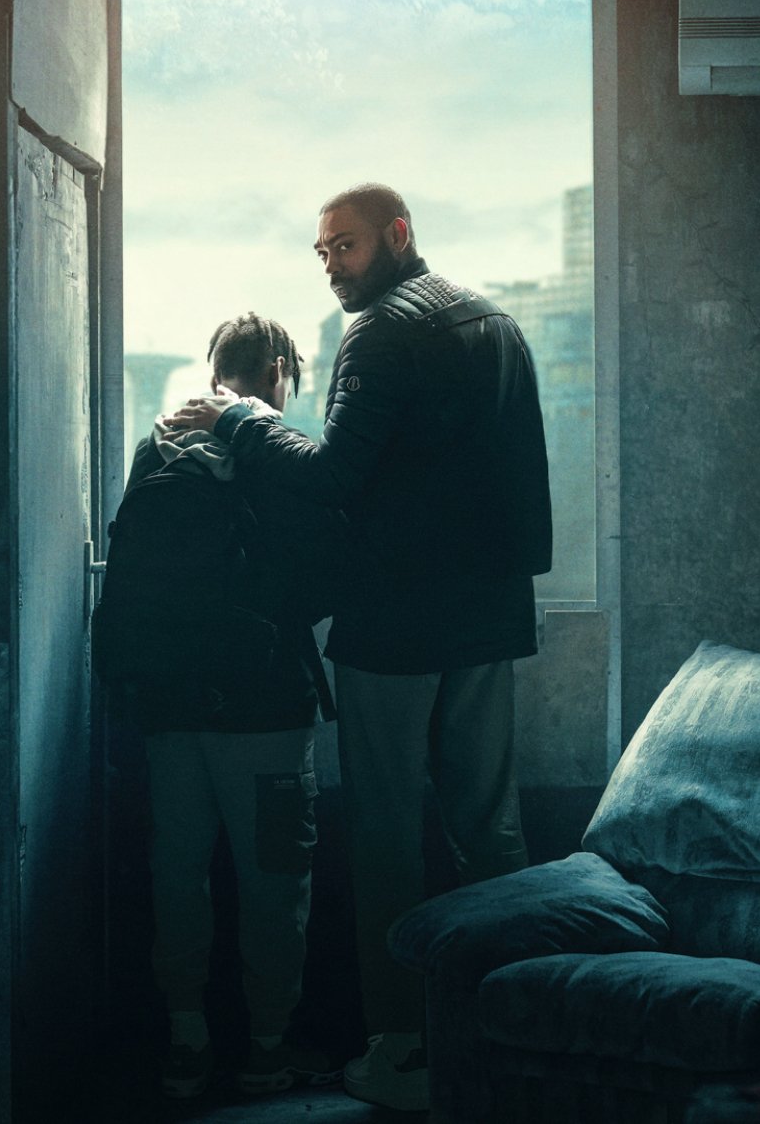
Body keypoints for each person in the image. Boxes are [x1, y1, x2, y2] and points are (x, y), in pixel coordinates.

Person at [162, 183, 553, 1112]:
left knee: (384, 836)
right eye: (321, 249)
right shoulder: (497, 320)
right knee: (490, 828)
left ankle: (405, 1048)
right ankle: (512, 1027)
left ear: (399, 234)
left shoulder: (378, 331)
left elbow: (335, 474)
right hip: (488, 615)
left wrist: (242, 420)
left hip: (395, 624)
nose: (330, 261)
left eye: (343, 244)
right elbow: (520, 474)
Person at [108, 313, 344, 1100]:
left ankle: (185, 1043)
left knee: (178, 874)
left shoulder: (159, 443)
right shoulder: (273, 449)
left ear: (215, 371)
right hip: (265, 713)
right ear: (279, 368)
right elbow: (320, 577)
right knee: (275, 879)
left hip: (170, 709)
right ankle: (269, 1048)